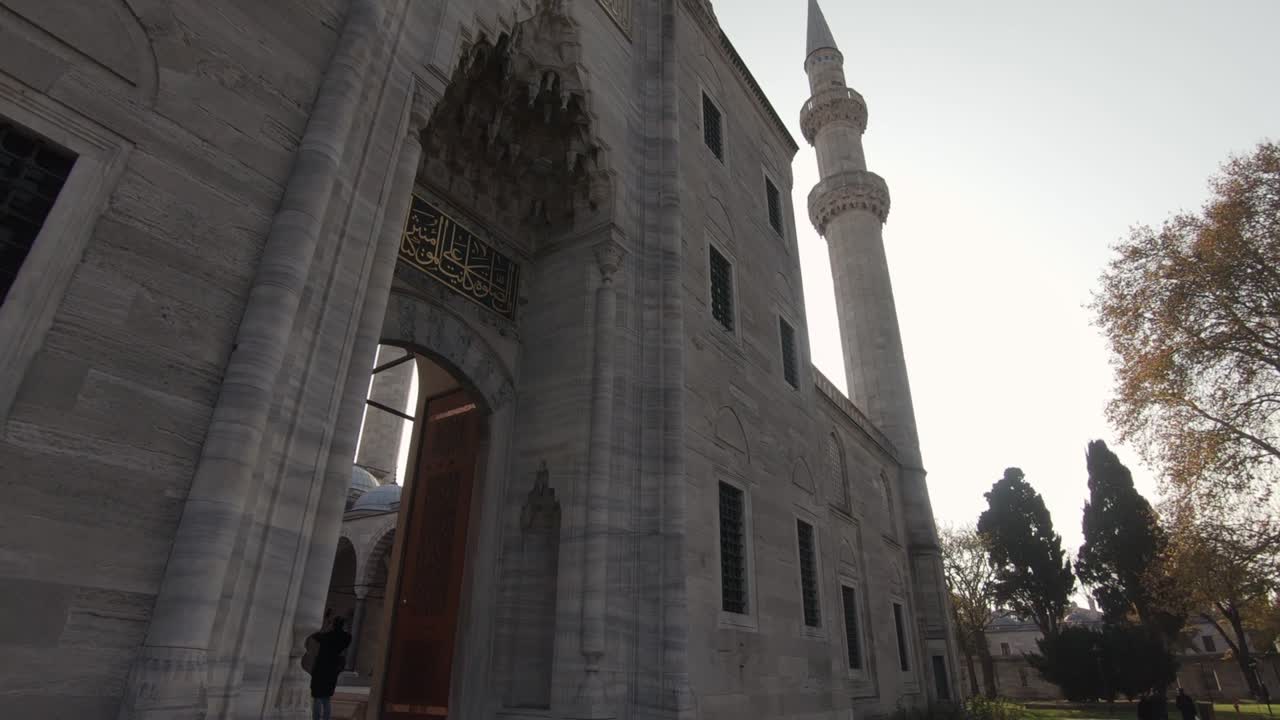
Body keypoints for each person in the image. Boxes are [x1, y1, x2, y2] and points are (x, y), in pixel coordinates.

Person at [308, 616, 351, 720]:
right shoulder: (346, 637)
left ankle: (316, 719)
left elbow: (314, 635)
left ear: (333, 624)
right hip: (333, 668)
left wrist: (327, 625)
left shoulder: (327, 636)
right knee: (326, 697)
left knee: (317, 696)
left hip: (321, 667)